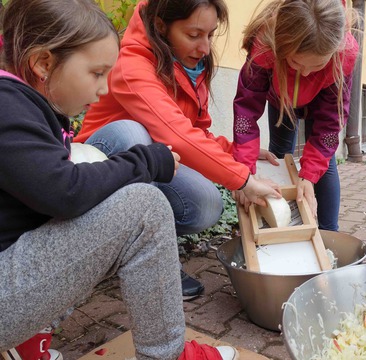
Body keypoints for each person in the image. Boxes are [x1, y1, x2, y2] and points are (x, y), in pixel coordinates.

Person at [0, 0, 238, 359]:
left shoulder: (21, 100)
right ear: (43, 63)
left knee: (90, 177)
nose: (104, 89)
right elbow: (65, 192)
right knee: (143, 208)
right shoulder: (7, 106)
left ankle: (29, 336)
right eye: (97, 74)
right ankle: (166, 354)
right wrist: (143, 160)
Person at [74, 0, 281, 299]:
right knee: (134, 134)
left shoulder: (191, 65)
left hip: (153, 160)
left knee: (206, 204)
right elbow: (174, 132)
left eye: (210, 35)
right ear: (161, 26)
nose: (205, 47)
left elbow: (194, 130)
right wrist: (243, 180)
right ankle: (149, 260)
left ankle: (132, 247)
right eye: (194, 35)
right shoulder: (131, 63)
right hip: (103, 158)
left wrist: (233, 150)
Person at [231, 0, 359, 231]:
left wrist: (308, 176)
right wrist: (244, 172)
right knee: (279, 155)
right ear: (281, 46)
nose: (307, 72)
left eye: (317, 64)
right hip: (280, 99)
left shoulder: (344, 54)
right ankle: (278, 224)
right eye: (296, 63)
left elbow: (330, 124)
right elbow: (246, 112)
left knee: (324, 164)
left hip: (322, 97)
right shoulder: (265, 45)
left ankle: (329, 233)